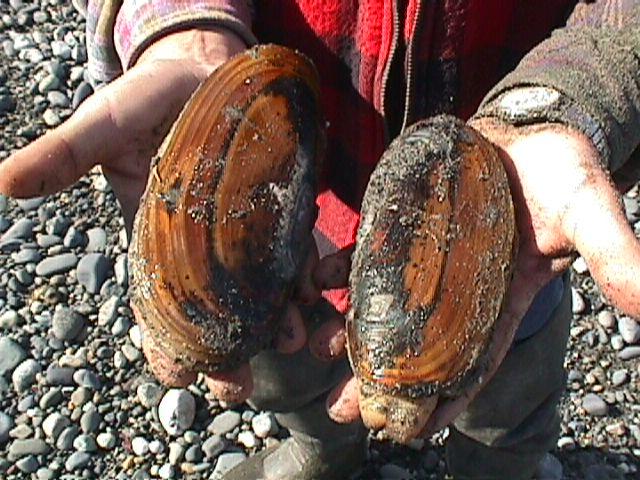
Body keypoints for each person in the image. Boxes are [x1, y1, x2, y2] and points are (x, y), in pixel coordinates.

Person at [1, 1, 639, 478]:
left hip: (507, 212)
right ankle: (321, 452)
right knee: (283, 365)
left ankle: (500, 465)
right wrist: (185, 27)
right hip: (298, 225)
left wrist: (577, 92)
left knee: (509, 387)